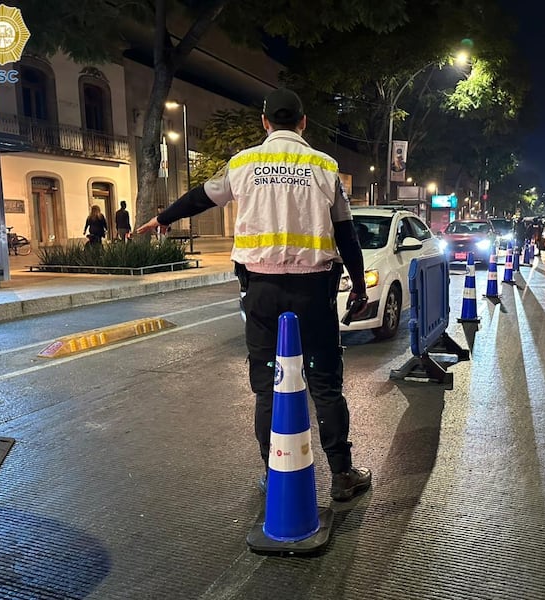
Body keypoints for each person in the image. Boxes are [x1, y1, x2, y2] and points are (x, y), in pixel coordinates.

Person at [136, 88, 372, 502]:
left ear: (265, 122)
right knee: (325, 385)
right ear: (302, 123)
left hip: (260, 292)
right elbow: (346, 234)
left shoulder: (243, 163)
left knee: (268, 385)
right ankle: (341, 474)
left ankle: (273, 471)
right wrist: (358, 284)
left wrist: (162, 217)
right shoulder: (323, 165)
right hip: (314, 293)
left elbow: (199, 198)